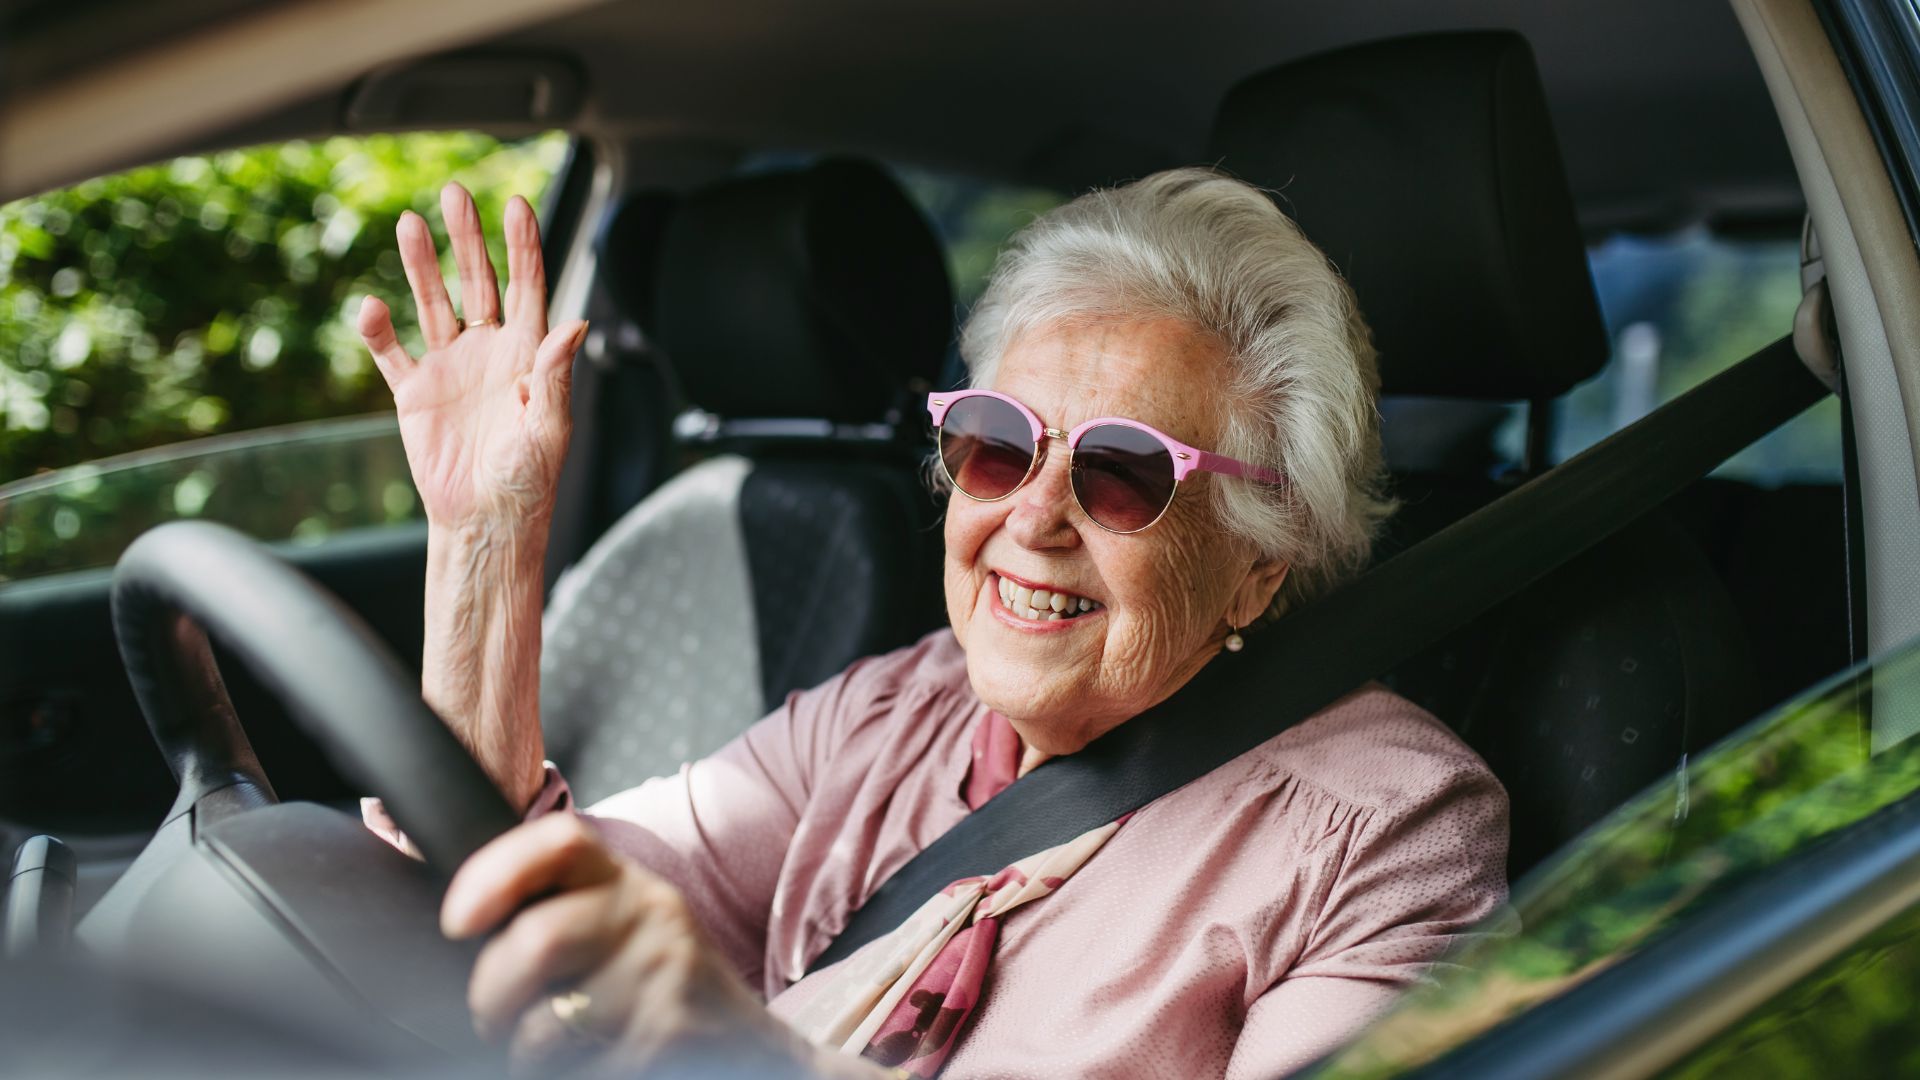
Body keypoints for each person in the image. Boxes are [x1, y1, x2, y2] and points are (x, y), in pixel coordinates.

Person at [357, 168, 1509, 1079]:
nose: (1035, 516)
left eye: (1121, 474)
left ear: (1260, 563)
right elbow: (507, 896)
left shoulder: (1381, 832)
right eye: (999, 443)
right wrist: (485, 544)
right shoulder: (890, 712)